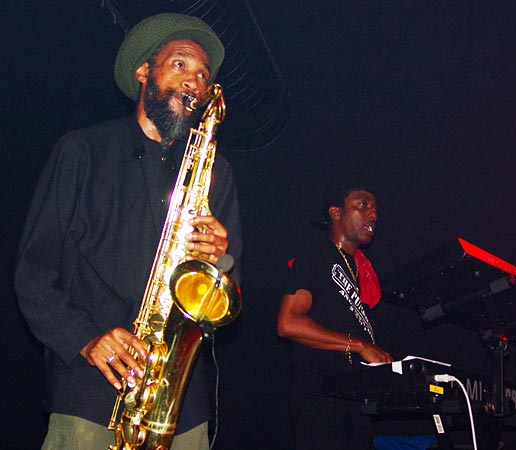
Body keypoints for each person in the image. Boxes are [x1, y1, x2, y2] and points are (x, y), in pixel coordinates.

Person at [14, 13, 242, 450]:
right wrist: (84, 339)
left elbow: (225, 297)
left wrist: (220, 260)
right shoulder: (82, 151)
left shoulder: (217, 174)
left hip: (181, 407)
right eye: (180, 64)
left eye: (202, 74)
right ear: (143, 72)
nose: (194, 81)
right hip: (91, 391)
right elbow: (34, 272)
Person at [277, 174, 393, 450]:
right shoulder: (316, 255)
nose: (373, 214)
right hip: (321, 397)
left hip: (357, 401)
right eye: (363, 205)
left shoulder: (361, 271)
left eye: (375, 209)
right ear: (336, 212)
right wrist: (360, 345)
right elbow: (288, 323)